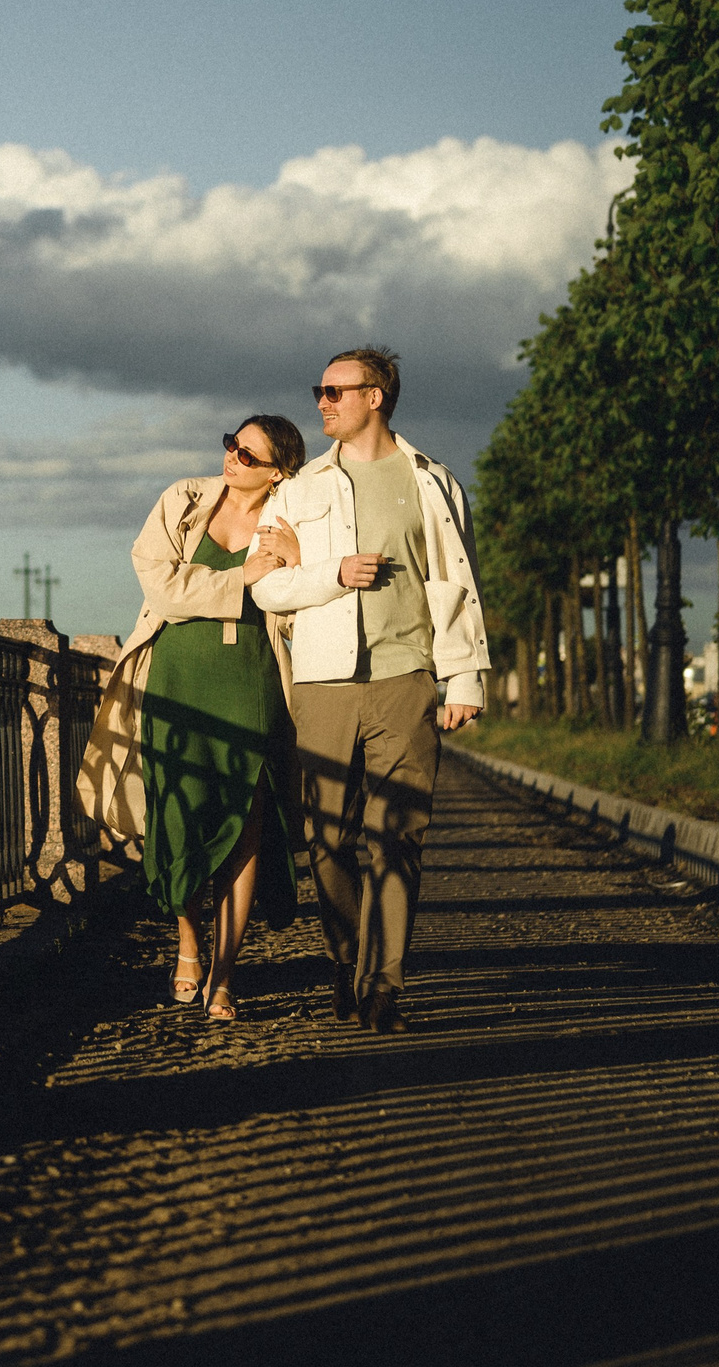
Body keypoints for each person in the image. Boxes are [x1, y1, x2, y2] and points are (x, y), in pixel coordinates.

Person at [250, 346, 490, 1035]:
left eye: (335, 391)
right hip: (324, 682)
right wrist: (332, 574)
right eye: (319, 391)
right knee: (327, 840)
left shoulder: (433, 483)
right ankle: (347, 955)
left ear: (375, 395)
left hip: (405, 678)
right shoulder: (295, 491)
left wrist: (464, 675)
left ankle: (385, 983)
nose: (321, 401)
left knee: (398, 838)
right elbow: (265, 582)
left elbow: (456, 583)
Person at [77, 416, 307, 1021]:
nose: (233, 458)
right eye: (232, 445)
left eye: (249, 456)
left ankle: (226, 976)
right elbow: (162, 585)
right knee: (177, 817)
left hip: (254, 679)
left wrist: (298, 557)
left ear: (278, 471)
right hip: (178, 679)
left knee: (243, 825)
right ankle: (186, 946)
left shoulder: (299, 514)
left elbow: (308, 588)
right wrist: (242, 576)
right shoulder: (182, 500)